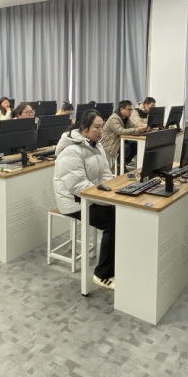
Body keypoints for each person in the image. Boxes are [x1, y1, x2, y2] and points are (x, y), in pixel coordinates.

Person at [53, 110, 116, 290]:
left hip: (91, 197)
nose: (101, 131)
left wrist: (112, 194)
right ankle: (102, 274)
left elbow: (105, 173)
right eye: (97, 127)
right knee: (113, 222)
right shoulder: (71, 151)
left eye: (102, 127)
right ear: (84, 128)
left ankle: (113, 262)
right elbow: (78, 187)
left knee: (123, 212)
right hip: (74, 203)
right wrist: (107, 200)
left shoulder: (96, 145)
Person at [101, 100, 145, 169]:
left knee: (135, 145)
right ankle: (117, 167)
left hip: (119, 141)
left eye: (131, 109)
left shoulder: (126, 118)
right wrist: (138, 130)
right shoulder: (114, 118)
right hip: (110, 143)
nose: (130, 111)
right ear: (121, 109)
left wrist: (142, 128)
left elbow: (133, 126)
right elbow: (120, 131)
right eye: (129, 110)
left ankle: (123, 165)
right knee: (126, 148)